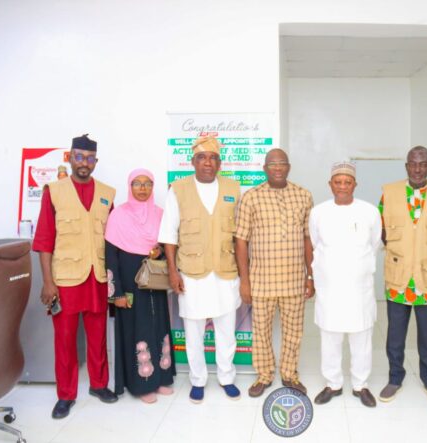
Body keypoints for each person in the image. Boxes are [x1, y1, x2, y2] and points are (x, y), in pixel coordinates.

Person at [33, 134, 118, 419]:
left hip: (97, 278)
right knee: (65, 340)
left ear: (96, 161)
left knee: (98, 336)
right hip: (65, 280)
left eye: (90, 158)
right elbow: (44, 240)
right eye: (79, 157)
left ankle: (99, 384)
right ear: (70, 158)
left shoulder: (108, 193)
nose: (84, 163)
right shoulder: (54, 191)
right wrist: (48, 282)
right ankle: (66, 395)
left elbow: (115, 239)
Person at [158, 136, 241, 403]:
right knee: (193, 332)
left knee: (226, 330)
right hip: (191, 274)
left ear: (220, 163)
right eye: (202, 158)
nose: (208, 162)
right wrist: (173, 272)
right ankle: (198, 380)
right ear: (193, 162)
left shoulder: (233, 188)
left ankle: (226, 377)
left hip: (226, 272)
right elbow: (169, 234)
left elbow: (241, 235)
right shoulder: (178, 190)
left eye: (213, 158)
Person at [378, 146, 427, 405]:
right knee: (395, 334)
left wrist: (426, 251)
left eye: (423, 164)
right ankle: (394, 378)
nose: (418, 169)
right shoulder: (389, 193)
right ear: (406, 166)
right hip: (398, 277)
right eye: (413, 163)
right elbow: (381, 230)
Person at [235, 149, 314, 398]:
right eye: (272, 164)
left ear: (288, 167)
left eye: (282, 164)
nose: (277, 168)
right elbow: (241, 241)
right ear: (265, 168)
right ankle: (264, 375)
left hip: (294, 280)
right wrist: (244, 281)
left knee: (294, 332)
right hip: (261, 280)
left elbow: (308, 238)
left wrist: (310, 276)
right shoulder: (251, 197)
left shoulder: (303, 195)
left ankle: (289, 374)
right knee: (261, 333)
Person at [309, 161, 382, 407]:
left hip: (359, 290)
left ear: (355, 184)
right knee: (330, 339)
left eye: (347, 182)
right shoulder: (318, 212)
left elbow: (374, 244)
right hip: (330, 289)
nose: (342, 186)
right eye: (338, 182)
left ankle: (361, 385)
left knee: (361, 339)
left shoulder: (370, 211)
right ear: (330, 184)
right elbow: (316, 244)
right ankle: (333, 384)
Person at [104, 168, 176, 404]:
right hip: (129, 285)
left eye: (147, 183)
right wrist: (116, 293)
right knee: (138, 328)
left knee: (159, 325)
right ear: (130, 186)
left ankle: (161, 377)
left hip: (154, 280)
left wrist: (159, 250)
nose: (142, 188)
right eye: (137, 183)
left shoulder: (159, 214)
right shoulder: (118, 215)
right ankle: (142, 382)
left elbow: (168, 246)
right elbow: (111, 256)